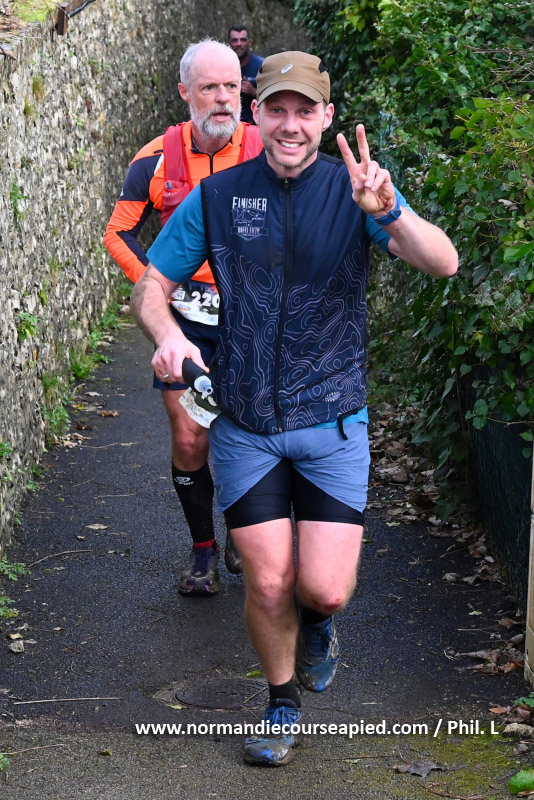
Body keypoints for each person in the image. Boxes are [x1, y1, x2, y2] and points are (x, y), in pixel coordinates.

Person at [130, 51, 458, 766]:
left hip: (333, 421)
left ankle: (318, 621)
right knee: (270, 579)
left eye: (304, 111)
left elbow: (443, 262)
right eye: (276, 109)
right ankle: (280, 704)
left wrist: (390, 211)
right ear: (258, 115)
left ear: (326, 117)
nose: (289, 124)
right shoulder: (219, 197)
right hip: (245, 424)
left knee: (325, 590)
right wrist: (168, 335)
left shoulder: (356, 192)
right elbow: (151, 285)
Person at [104, 39, 263, 597]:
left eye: (231, 86)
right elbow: (118, 233)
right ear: (185, 93)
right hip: (187, 320)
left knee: (251, 430)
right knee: (191, 435)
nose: (222, 99)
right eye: (208, 88)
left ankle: (245, 530)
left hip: (254, 318)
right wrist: (158, 283)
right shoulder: (154, 158)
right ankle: (203, 548)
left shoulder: (267, 150)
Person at [228, 25, 264, 123]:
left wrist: (253, 92)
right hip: (229, 122)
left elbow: (274, 96)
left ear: (249, 42)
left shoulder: (262, 65)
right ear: (229, 43)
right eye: (235, 40)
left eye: (243, 40)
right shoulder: (221, 66)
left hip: (255, 123)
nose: (239, 44)